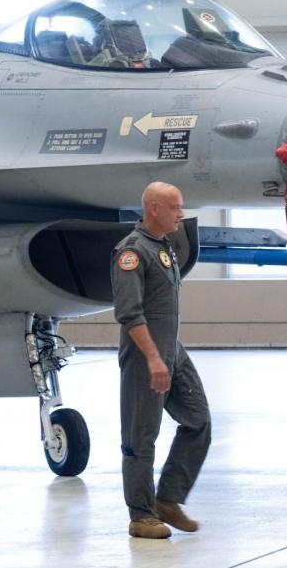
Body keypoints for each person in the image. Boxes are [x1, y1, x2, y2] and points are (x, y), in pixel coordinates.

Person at [111, 181, 211, 539]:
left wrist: (168, 355)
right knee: (141, 436)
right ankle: (141, 515)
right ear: (153, 209)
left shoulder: (163, 246)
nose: (181, 214)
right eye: (174, 207)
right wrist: (153, 358)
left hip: (172, 350)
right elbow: (129, 313)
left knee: (198, 421)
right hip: (145, 356)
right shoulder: (131, 253)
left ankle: (168, 499)